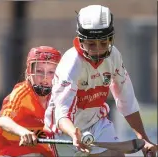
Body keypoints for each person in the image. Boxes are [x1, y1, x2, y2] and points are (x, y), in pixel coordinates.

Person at [44, 5, 156, 157]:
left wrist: (143, 137)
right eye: (91, 44)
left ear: (110, 39)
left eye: (103, 43)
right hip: (63, 132)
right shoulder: (71, 64)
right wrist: (73, 133)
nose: (98, 50)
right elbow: (62, 114)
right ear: (81, 40)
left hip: (97, 124)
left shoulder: (113, 56)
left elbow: (126, 99)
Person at [0, 46, 62, 157]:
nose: (45, 78)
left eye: (51, 72)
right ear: (29, 71)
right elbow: (3, 120)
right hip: (7, 151)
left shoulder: (62, 95)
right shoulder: (22, 92)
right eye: (39, 71)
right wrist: (23, 132)